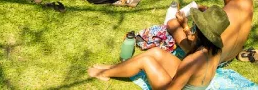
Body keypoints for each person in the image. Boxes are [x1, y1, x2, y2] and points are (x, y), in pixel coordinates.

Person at [88, 6, 230, 87]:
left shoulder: (192, 61)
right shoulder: (214, 49)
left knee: (146, 61)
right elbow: (194, 41)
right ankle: (114, 68)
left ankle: (104, 74)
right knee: (155, 52)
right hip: (193, 82)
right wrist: (185, 26)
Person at [168, 0, 254, 63]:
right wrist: (208, 11)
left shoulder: (222, 16)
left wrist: (184, 25)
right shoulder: (247, 0)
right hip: (230, 56)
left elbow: (194, 43)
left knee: (172, 24)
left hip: (212, 61)